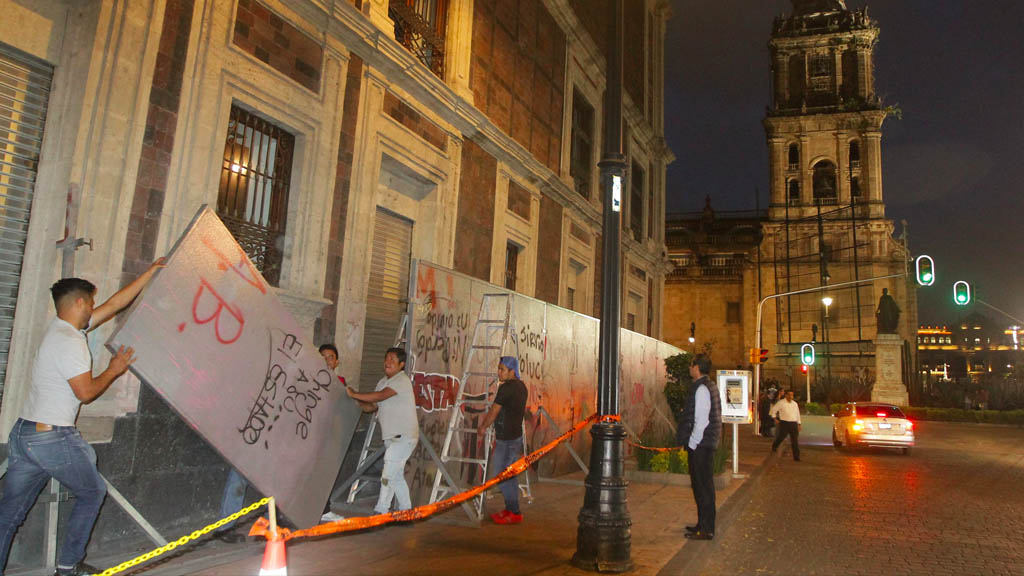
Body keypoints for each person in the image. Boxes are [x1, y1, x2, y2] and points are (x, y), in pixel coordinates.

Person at [0, 260, 163, 576]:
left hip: (26, 433)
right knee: (92, 493)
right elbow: (86, 393)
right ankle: (68, 566)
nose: (93, 308)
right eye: (89, 302)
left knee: (8, 516)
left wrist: (150, 273)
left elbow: (115, 304)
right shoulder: (70, 342)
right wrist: (113, 371)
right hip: (52, 437)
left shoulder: (61, 329)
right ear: (78, 302)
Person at [346, 347, 418, 515]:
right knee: (396, 476)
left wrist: (355, 394)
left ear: (401, 365)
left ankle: (381, 511)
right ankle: (407, 512)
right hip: (393, 438)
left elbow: (379, 396)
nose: (388, 362)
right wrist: (356, 402)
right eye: (386, 359)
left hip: (403, 437)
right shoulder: (382, 382)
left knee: (387, 475)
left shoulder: (402, 381)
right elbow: (372, 406)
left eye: (393, 360)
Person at [476, 357, 528, 525]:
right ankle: (511, 509)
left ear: (512, 371)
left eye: (502, 369)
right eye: (498, 368)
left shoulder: (506, 389)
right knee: (508, 474)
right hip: (514, 437)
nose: (499, 372)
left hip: (507, 440)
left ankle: (514, 511)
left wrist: (483, 427)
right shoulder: (522, 387)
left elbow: (494, 411)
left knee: (502, 474)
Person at [676, 354, 721, 541]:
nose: (689, 368)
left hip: (701, 445)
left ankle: (706, 528)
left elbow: (701, 420)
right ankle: (703, 524)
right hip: (705, 444)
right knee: (704, 487)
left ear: (697, 368)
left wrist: (692, 444)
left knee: (702, 487)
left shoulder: (702, 389)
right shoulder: (709, 386)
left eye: (691, 365)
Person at [318, 343, 348, 523]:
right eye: (322, 356)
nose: (326, 360)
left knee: (326, 475)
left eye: (330, 357)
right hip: (310, 437)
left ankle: (325, 509)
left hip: (330, 436)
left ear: (336, 362)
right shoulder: (308, 380)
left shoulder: (341, 383)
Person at [771, 389, 802, 461]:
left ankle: (796, 456)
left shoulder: (795, 404)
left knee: (794, 440)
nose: (791, 396)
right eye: (789, 395)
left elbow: (797, 414)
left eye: (792, 395)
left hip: (793, 423)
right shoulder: (781, 403)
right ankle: (775, 445)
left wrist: (799, 423)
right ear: (786, 395)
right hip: (784, 423)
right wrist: (774, 418)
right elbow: (774, 410)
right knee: (781, 437)